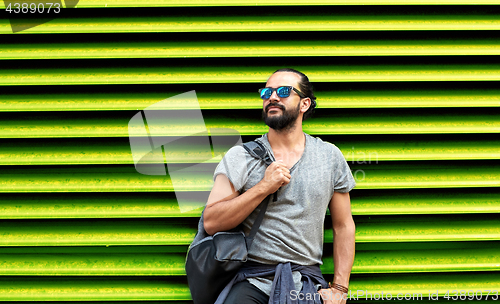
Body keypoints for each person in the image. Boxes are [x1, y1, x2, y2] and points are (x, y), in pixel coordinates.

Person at [203, 68, 356, 304]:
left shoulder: (329, 156)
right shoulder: (239, 157)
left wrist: (340, 288)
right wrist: (263, 187)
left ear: (304, 104)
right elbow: (212, 222)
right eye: (266, 92)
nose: (272, 97)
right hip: (252, 279)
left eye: (283, 91)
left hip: (305, 281)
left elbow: (343, 226)